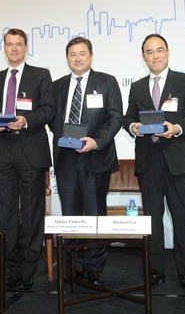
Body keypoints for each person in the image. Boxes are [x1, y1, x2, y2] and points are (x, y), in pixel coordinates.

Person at [122, 33, 185, 290]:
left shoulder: (184, 80)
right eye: (149, 52)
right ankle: (155, 269)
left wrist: (176, 127)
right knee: (152, 218)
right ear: (143, 56)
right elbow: (128, 118)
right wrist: (134, 126)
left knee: (181, 217)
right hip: (148, 160)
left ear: (167, 53)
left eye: (159, 50)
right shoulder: (136, 87)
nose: (155, 56)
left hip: (176, 158)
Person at [0, 28, 55, 291]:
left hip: (30, 151)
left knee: (32, 213)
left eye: (19, 44)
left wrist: (26, 120)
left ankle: (27, 269)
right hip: (1, 153)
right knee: (6, 213)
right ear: (4, 48)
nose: (14, 49)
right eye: (9, 44)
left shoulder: (41, 75)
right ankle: (10, 267)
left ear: (25, 48)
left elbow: (48, 109)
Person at [49, 37, 123, 285]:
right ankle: (72, 266)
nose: (77, 58)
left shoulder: (107, 82)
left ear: (91, 56)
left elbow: (115, 118)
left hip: (96, 156)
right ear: (67, 58)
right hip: (66, 158)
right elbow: (51, 119)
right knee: (70, 215)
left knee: (94, 215)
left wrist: (95, 140)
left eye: (82, 53)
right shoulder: (57, 86)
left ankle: (93, 268)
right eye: (72, 54)